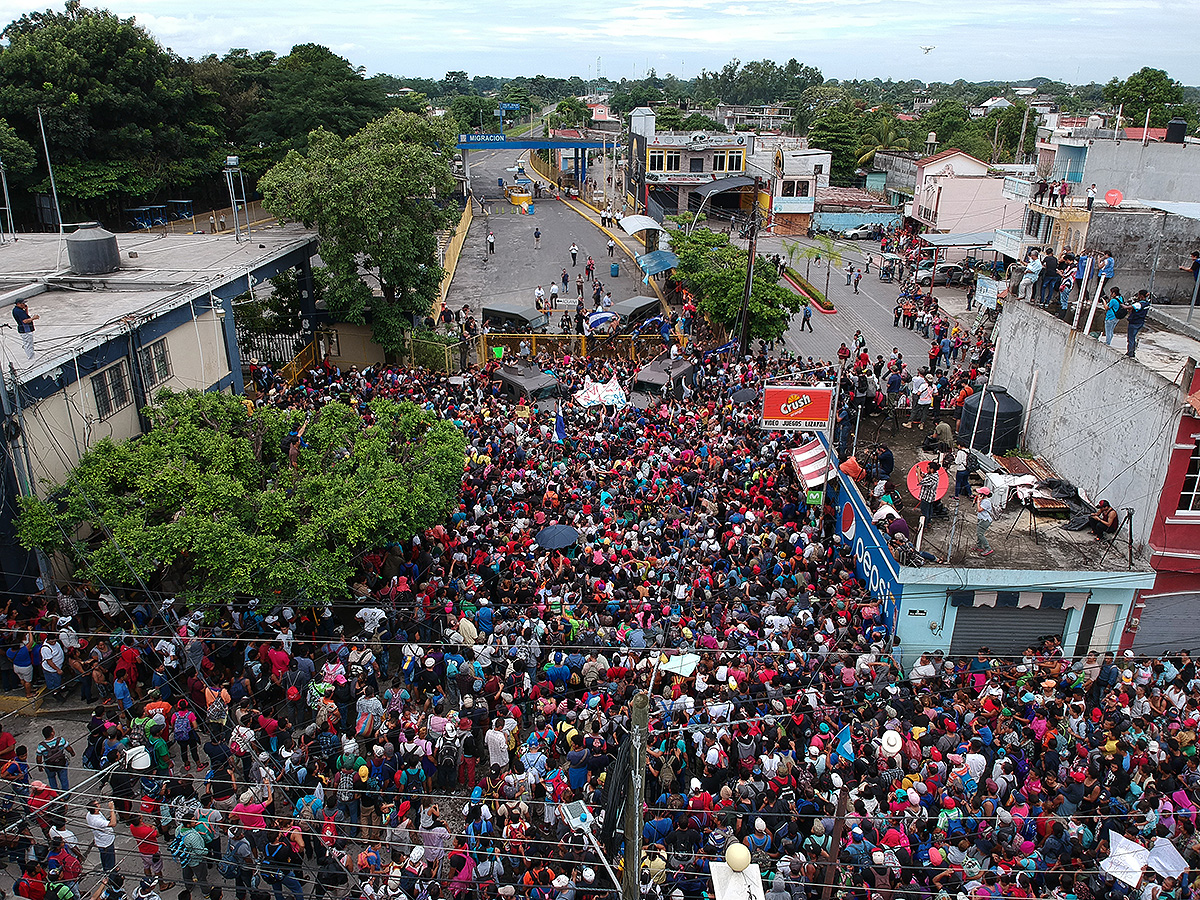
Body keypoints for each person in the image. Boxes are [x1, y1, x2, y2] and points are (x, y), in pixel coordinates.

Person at [35, 726, 72, 792]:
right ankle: (65, 793)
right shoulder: (60, 740)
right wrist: (72, 753)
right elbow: (68, 748)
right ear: (52, 733)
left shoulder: (41, 746)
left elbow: (38, 758)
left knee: (51, 778)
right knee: (63, 778)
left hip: (49, 766)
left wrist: (39, 766)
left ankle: (55, 793)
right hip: (61, 763)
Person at [1126, 289, 1150, 358]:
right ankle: (1132, 351)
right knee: (1133, 337)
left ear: (1141, 296)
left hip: (1134, 323)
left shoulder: (1139, 304)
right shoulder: (1147, 303)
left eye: (1139, 295)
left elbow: (1128, 307)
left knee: (1131, 338)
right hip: (1140, 322)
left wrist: (1121, 305)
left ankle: (1130, 352)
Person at [974, 486, 994, 556]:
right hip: (981, 519)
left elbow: (979, 510)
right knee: (979, 532)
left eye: (979, 494)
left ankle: (988, 548)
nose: (978, 495)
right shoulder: (983, 500)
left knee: (980, 534)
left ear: (983, 495)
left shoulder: (986, 502)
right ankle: (979, 546)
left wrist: (978, 501)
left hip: (985, 520)